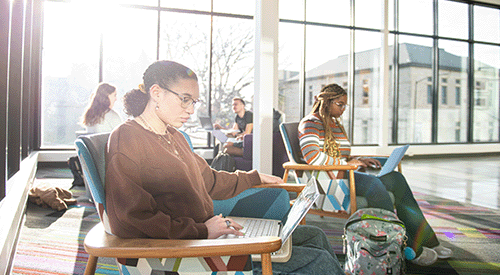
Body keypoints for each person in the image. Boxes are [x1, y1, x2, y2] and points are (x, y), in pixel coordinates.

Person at [105, 60, 344, 274]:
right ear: (156, 92)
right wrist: (201, 231)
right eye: (185, 99)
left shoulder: (173, 136)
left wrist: (253, 177)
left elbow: (209, 180)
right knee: (317, 260)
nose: (191, 110)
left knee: (316, 235)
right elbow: (131, 219)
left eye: (194, 101)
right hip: (187, 251)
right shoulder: (127, 138)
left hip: (209, 235)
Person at [298, 83, 453, 267]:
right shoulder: (310, 123)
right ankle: (407, 244)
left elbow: (339, 155)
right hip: (330, 182)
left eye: (345, 105)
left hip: (346, 174)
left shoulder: (335, 124)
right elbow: (312, 157)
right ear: (327, 102)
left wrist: (359, 159)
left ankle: (428, 240)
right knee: (375, 185)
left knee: (396, 179)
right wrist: (346, 164)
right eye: (340, 104)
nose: (343, 109)